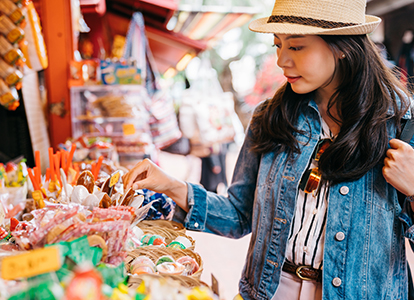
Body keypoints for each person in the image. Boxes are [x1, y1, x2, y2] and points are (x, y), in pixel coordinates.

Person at [123, 0, 414, 299]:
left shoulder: (402, 124)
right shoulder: (272, 117)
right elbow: (239, 214)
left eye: (297, 47)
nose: (281, 60)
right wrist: (169, 185)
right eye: (278, 45)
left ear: (342, 47)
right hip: (270, 291)